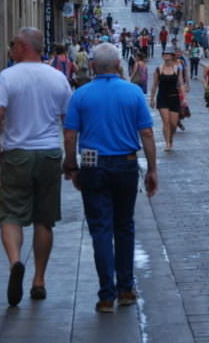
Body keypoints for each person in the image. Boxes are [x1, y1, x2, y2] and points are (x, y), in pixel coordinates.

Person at [63, 43, 158, 313]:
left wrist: (72, 166)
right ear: (118, 65)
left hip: (93, 164)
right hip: (126, 164)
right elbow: (148, 134)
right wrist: (152, 169)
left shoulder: (81, 95)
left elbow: (70, 136)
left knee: (101, 229)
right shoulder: (133, 93)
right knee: (124, 226)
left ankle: (106, 295)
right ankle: (126, 288)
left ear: (92, 66)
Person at [0, 27, 73, 306]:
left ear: (23, 47)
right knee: (44, 219)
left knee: (11, 214)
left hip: (17, 154)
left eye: (12, 44)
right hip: (48, 153)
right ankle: (39, 279)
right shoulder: (58, 77)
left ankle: (14, 263)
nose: (10, 48)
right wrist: (70, 159)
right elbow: (68, 122)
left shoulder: (8, 77)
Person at [149, 48, 185, 152]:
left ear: (172, 56)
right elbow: (154, 85)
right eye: (165, 54)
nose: (166, 56)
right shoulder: (158, 69)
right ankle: (167, 143)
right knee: (166, 121)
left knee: (173, 124)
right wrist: (152, 98)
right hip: (162, 98)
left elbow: (181, 84)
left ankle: (171, 139)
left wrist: (184, 98)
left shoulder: (177, 69)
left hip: (174, 98)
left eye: (168, 54)